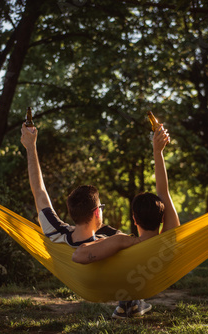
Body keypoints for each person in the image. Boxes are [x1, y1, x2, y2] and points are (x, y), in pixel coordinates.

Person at [20, 122, 151, 318]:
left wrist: (31, 146)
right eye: (102, 208)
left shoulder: (55, 232)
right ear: (97, 213)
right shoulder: (111, 238)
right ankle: (131, 300)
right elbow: (144, 246)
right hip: (113, 282)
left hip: (85, 283)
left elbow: (38, 190)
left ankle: (129, 303)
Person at [71, 123, 180, 318]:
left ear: (134, 219)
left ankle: (128, 302)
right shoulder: (170, 238)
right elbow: (164, 191)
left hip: (123, 280)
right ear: (163, 218)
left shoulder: (123, 243)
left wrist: (111, 241)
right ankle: (132, 303)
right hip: (153, 281)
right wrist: (158, 151)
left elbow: (77, 256)